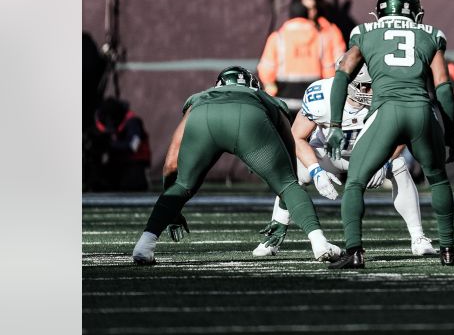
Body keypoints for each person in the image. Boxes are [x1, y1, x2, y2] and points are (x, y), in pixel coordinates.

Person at [131, 67, 342, 265]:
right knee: (288, 184)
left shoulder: (200, 98)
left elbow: (170, 163)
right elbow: (289, 170)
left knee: (183, 184)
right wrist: (283, 213)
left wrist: (172, 207)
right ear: (253, 85)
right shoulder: (264, 97)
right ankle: (319, 243)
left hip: (204, 118)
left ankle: (144, 245)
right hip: (249, 119)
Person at [324, 0, 454, 268]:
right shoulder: (431, 35)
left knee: (356, 182)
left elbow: (341, 76)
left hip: (385, 111)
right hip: (422, 111)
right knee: (439, 180)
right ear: (415, 13)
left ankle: (355, 251)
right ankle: (448, 250)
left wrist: (335, 123)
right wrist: (451, 135)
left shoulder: (365, 32)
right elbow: (444, 87)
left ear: (380, 11)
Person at [252, 59, 436, 259]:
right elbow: (297, 136)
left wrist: (383, 160)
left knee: (399, 165)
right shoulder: (321, 95)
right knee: (292, 175)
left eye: (373, 85)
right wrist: (315, 170)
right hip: (328, 155)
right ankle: (273, 237)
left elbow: (404, 133)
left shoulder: (388, 93)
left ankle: (418, 237)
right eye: (365, 86)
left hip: (369, 155)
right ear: (347, 83)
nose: (371, 91)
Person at [257, 0, 342, 109]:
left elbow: (266, 68)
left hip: (284, 98)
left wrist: (269, 85)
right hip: (313, 99)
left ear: (291, 16)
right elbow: (328, 69)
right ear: (307, 15)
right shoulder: (320, 37)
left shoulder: (278, 37)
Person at [91, 97, 152, 192]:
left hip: (135, 164)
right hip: (117, 164)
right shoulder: (105, 120)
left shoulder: (133, 122)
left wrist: (110, 145)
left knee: (132, 185)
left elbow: (133, 146)